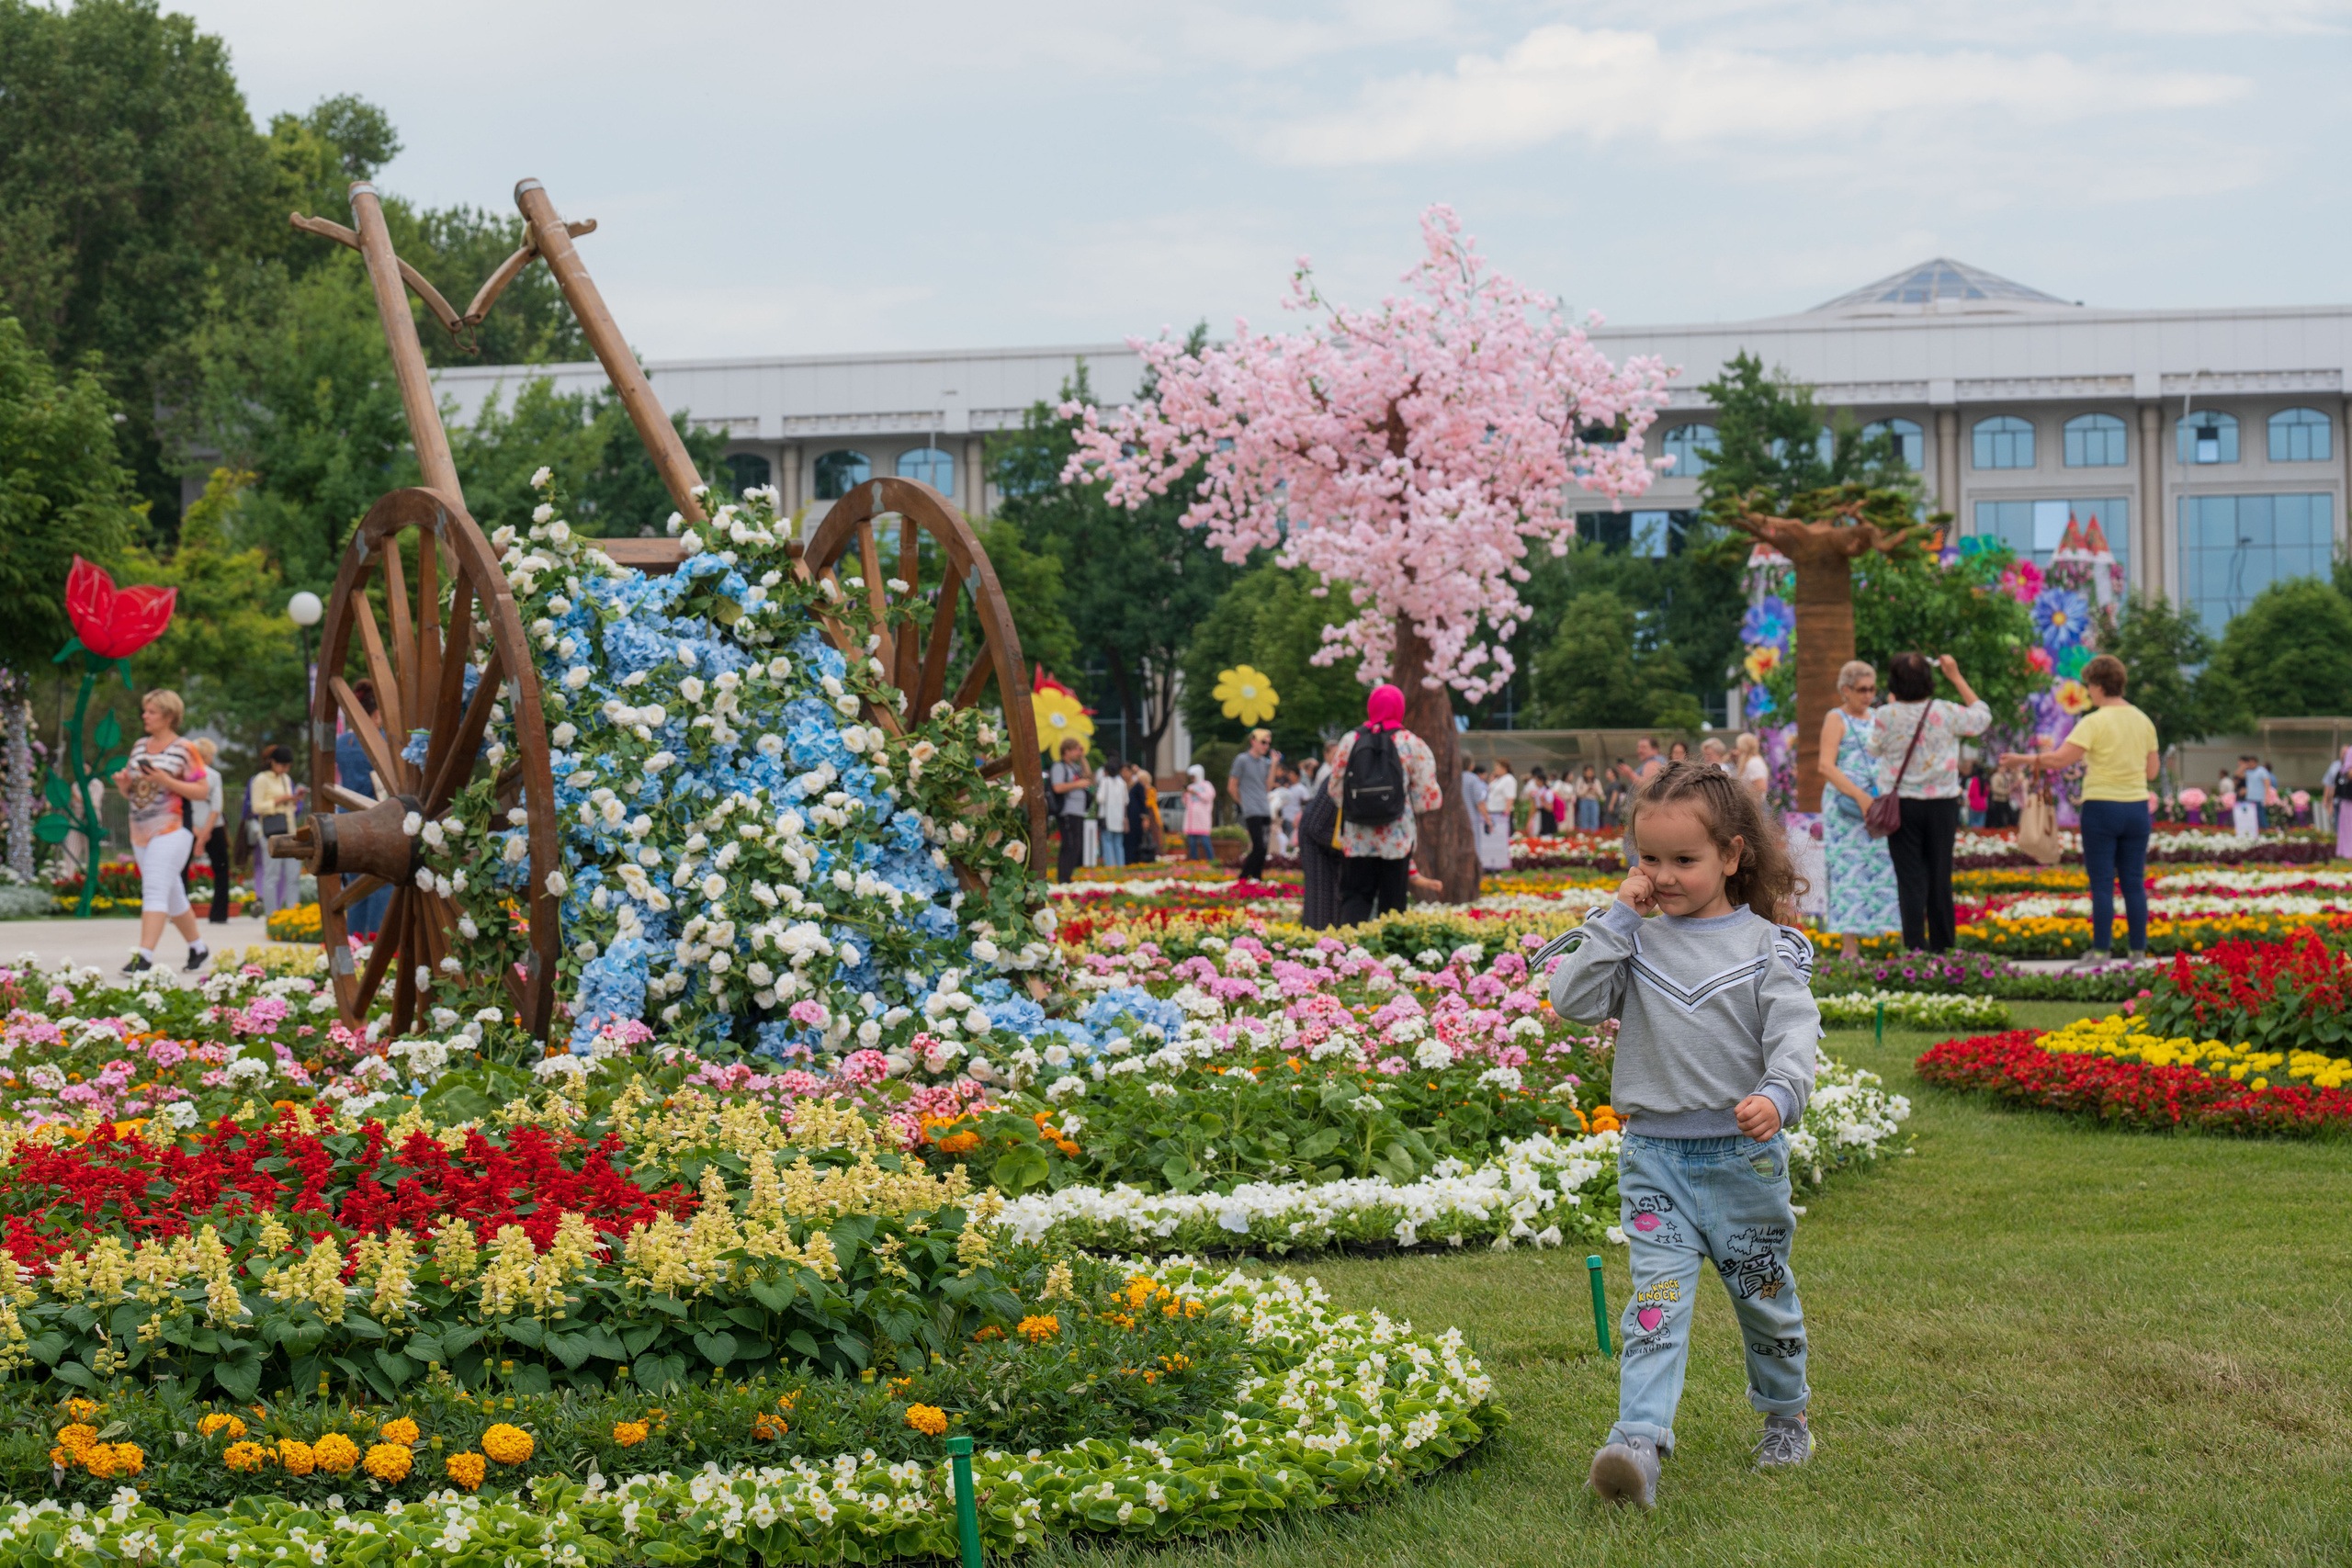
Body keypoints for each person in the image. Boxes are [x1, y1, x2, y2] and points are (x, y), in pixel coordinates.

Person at [1546, 761, 1821, 1507]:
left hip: (1743, 1162)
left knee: (1764, 1297)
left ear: (1732, 855)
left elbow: (1796, 1033)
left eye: (1684, 860)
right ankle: (1637, 1442)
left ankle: (1785, 1415)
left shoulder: (1771, 945)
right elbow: (1569, 999)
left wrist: (1779, 1091)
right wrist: (1616, 915)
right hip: (1654, 1159)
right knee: (1655, 1303)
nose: (1662, 876)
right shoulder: (1633, 938)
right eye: (1649, 858)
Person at [2002, 654, 2159, 964]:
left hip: (2102, 807)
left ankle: (2101, 951)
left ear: (2098, 686)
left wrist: (2021, 759)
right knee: (2133, 882)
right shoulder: (2143, 720)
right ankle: (2137, 952)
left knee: (2102, 882)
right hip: (2137, 808)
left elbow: (2060, 760)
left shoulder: (2094, 721)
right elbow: (2152, 772)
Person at [1868, 652, 1990, 952]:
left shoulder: (1885, 715)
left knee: (1909, 880)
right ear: (1929, 680)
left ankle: (1914, 951)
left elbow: (1873, 749)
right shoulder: (1946, 711)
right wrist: (1956, 676)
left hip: (1902, 807)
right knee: (1940, 877)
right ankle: (1944, 948)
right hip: (1942, 804)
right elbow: (1982, 717)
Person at [112, 689, 212, 974]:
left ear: (169, 716)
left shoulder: (184, 748)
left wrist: (165, 779)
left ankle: (143, 956)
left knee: (154, 888)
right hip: (140, 831)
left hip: (172, 829)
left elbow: (202, 790)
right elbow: (135, 792)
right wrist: (123, 785)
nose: (145, 715)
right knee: (172, 894)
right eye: (145, 710)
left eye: (152, 711)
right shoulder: (140, 746)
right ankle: (198, 948)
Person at [1327, 683, 1442, 924]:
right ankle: (1389, 954)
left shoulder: (1350, 740)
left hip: (1357, 836)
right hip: (1396, 837)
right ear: (1400, 708)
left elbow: (1335, 789)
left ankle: (1351, 952)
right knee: (1393, 901)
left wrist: (1360, 809)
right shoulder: (1411, 743)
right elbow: (1428, 796)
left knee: (1355, 896)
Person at [1817, 660, 1900, 962]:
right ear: (1846, 690)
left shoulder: (1878, 717)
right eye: (1861, 689)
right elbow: (1826, 765)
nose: (1868, 695)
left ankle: (1884, 935)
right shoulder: (1836, 718)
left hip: (1876, 806)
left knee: (1881, 869)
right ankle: (1849, 948)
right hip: (1845, 808)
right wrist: (1860, 796)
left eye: (1871, 689)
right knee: (1846, 872)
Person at [1297, 741, 1344, 930]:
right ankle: (1318, 945)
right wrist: (1349, 844)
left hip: (1330, 834)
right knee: (1322, 896)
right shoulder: (1338, 776)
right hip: (1318, 835)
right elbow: (1315, 826)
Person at [251, 745, 302, 917]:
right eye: (282, 765)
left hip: (289, 830)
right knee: (272, 875)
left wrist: (294, 800)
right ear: (272, 762)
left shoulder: (286, 779)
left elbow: (290, 808)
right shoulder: (261, 779)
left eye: (288, 766)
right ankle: (272, 916)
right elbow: (256, 807)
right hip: (270, 832)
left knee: (293, 875)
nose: (285, 769)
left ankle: (293, 914)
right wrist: (278, 801)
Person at [189, 738, 232, 925]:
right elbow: (216, 807)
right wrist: (206, 833)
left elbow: (181, 806)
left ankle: (179, 914)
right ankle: (219, 914)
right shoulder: (214, 776)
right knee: (221, 870)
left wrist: (197, 834)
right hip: (213, 827)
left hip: (190, 827)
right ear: (205, 756)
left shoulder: (183, 775)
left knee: (180, 870)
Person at [1229, 728, 1274, 881]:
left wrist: (1274, 764)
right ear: (1253, 741)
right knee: (1258, 845)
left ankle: (1256, 877)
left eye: (1268, 743)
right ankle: (1244, 876)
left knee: (1264, 848)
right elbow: (1232, 786)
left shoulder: (1264, 762)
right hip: (1252, 809)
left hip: (1264, 808)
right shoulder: (1242, 759)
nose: (1266, 746)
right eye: (1263, 742)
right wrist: (1243, 803)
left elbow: (1268, 787)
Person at [1049, 738, 1091, 883]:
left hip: (1078, 811)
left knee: (1076, 845)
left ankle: (1067, 877)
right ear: (1067, 751)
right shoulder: (1059, 767)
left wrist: (1082, 757)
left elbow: (1087, 775)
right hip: (1067, 810)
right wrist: (1076, 784)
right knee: (1070, 844)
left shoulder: (1074, 767)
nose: (1078, 752)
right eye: (1076, 750)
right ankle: (1063, 878)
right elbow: (1058, 787)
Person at [1479, 758, 1518, 871]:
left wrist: (1506, 815)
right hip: (1492, 813)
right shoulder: (1498, 779)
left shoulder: (1509, 779)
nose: (1495, 769)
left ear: (1504, 768)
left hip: (1501, 814)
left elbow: (1510, 798)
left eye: (1498, 767)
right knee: (1492, 841)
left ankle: (1501, 865)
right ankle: (1492, 864)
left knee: (1501, 840)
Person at [1096, 755, 1129, 869]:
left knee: (1107, 841)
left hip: (1107, 817)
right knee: (1119, 844)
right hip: (1119, 818)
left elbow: (1100, 799)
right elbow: (1126, 801)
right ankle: (1121, 865)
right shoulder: (1122, 783)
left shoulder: (1104, 782)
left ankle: (1110, 865)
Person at [1125, 761, 1159, 863]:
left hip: (1150, 815)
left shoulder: (1150, 790)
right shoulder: (1132, 786)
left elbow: (1149, 803)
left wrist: (1145, 818)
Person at [1182, 763, 1216, 861]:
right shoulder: (1190, 786)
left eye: (1193, 776)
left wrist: (1196, 793)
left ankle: (1211, 860)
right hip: (1192, 820)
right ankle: (1194, 861)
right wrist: (1185, 795)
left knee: (1205, 842)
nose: (1191, 778)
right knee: (1192, 843)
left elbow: (1209, 796)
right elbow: (1186, 802)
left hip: (1202, 819)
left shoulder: (1207, 785)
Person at [2242, 754, 2276, 831]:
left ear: (2256, 762)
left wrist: (2267, 797)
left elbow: (2267, 784)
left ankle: (2266, 831)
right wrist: (2244, 766)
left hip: (2259, 799)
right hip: (2250, 798)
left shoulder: (2262, 771)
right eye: (2249, 763)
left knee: (2261, 817)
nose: (2250, 764)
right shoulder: (2248, 771)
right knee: (2251, 818)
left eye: (2251, 763)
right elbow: (2237, 774)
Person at [1732, 732, 1770, 803]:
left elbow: (1762, 787)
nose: (1737, 750)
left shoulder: (1753, 763)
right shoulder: (1752, 761)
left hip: (1756, 806)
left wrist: (1741, 793)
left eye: (1738, 746)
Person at [1577, 765, 1603, 831]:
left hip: (1594, 801)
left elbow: (1601, 793)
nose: (1589, 773)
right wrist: (1586, 789)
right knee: (1584, 819)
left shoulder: (1596, 781)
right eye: (1588, 771)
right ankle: (1585, 834)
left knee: (1594, 819)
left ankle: (1594, 834)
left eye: (1591, 771)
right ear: (1584, 772)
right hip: (1584, 801)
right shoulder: (1581, 780)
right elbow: (1578, 793)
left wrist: (1595, 790)